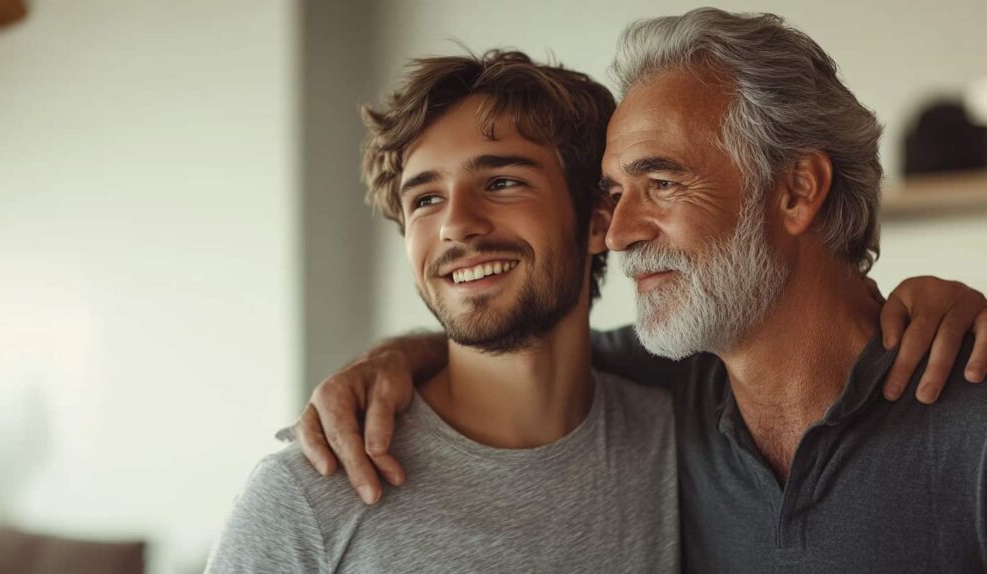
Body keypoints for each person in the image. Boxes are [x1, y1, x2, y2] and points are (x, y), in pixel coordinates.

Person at [294, 8, 987, 573]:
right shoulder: (668, 392)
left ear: (798, 190)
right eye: (614, 193)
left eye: (661, 182)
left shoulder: (969, 418)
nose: (617, 232)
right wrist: (391, 360)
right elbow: (523, 351)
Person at [207, 50, 679, 572]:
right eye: (426, 200)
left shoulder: (679, 441)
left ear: (596, 221)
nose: (456, 224)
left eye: (501, 183)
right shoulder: (305, 497)